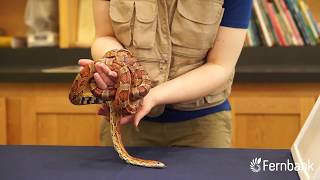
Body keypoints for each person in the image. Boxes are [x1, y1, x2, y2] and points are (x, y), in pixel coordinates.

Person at [79, 0, 253, 148]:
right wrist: (116, 65)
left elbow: (220, 66)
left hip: (202, 127)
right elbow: (104, 36)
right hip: (124, 122)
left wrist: (152, 96)